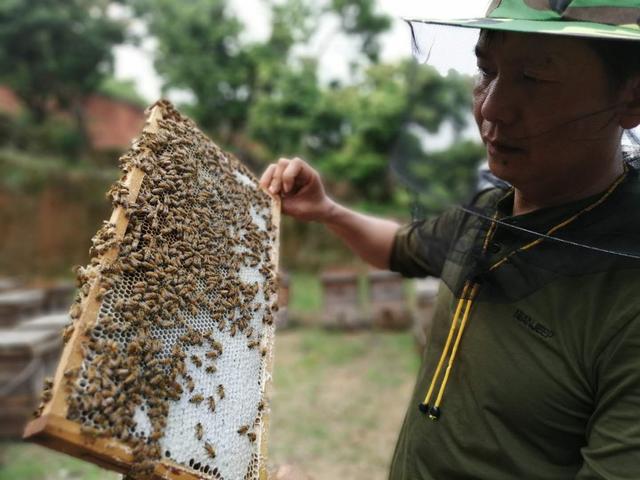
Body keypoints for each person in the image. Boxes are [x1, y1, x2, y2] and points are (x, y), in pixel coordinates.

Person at [260, 1, 640, 478]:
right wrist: (327, 210)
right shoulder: (488, 212)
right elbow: (401, 247)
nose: (491, 107)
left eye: (534, 78)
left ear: (632, 98)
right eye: (487, 71)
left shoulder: (626, 302)